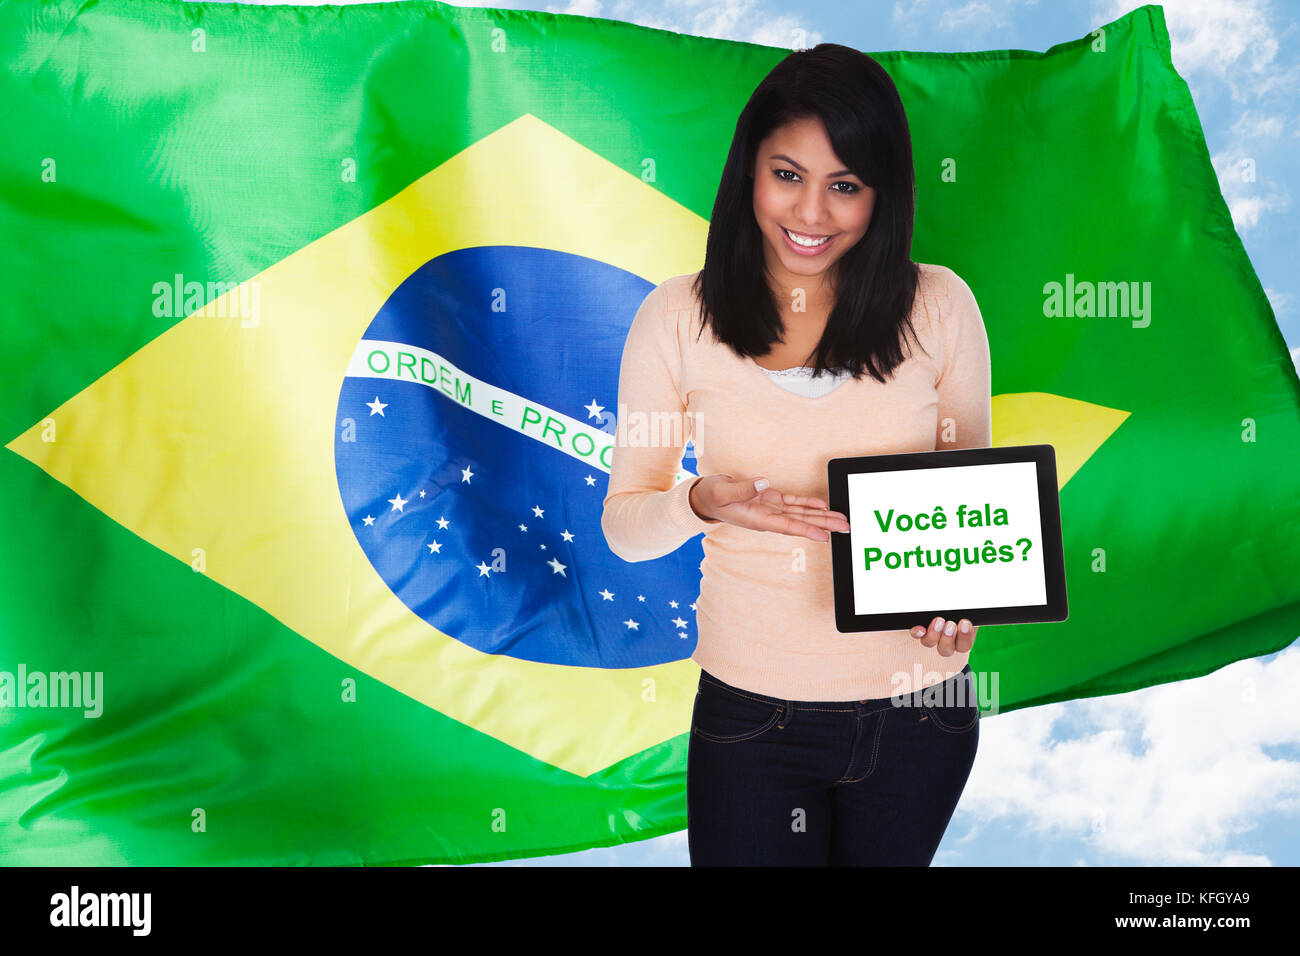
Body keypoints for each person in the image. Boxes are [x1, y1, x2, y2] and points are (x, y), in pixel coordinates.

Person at [601, 43, 991, 866]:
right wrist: (701, 501)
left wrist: (965, 606)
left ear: (881, 195)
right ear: (748, 173)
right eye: (787, 175)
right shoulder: (676, 318)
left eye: (844, 185)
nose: (811, 214)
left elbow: (969, 512)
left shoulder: (942, 306)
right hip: (753, 717)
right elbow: (627, 527)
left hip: (924, 711)